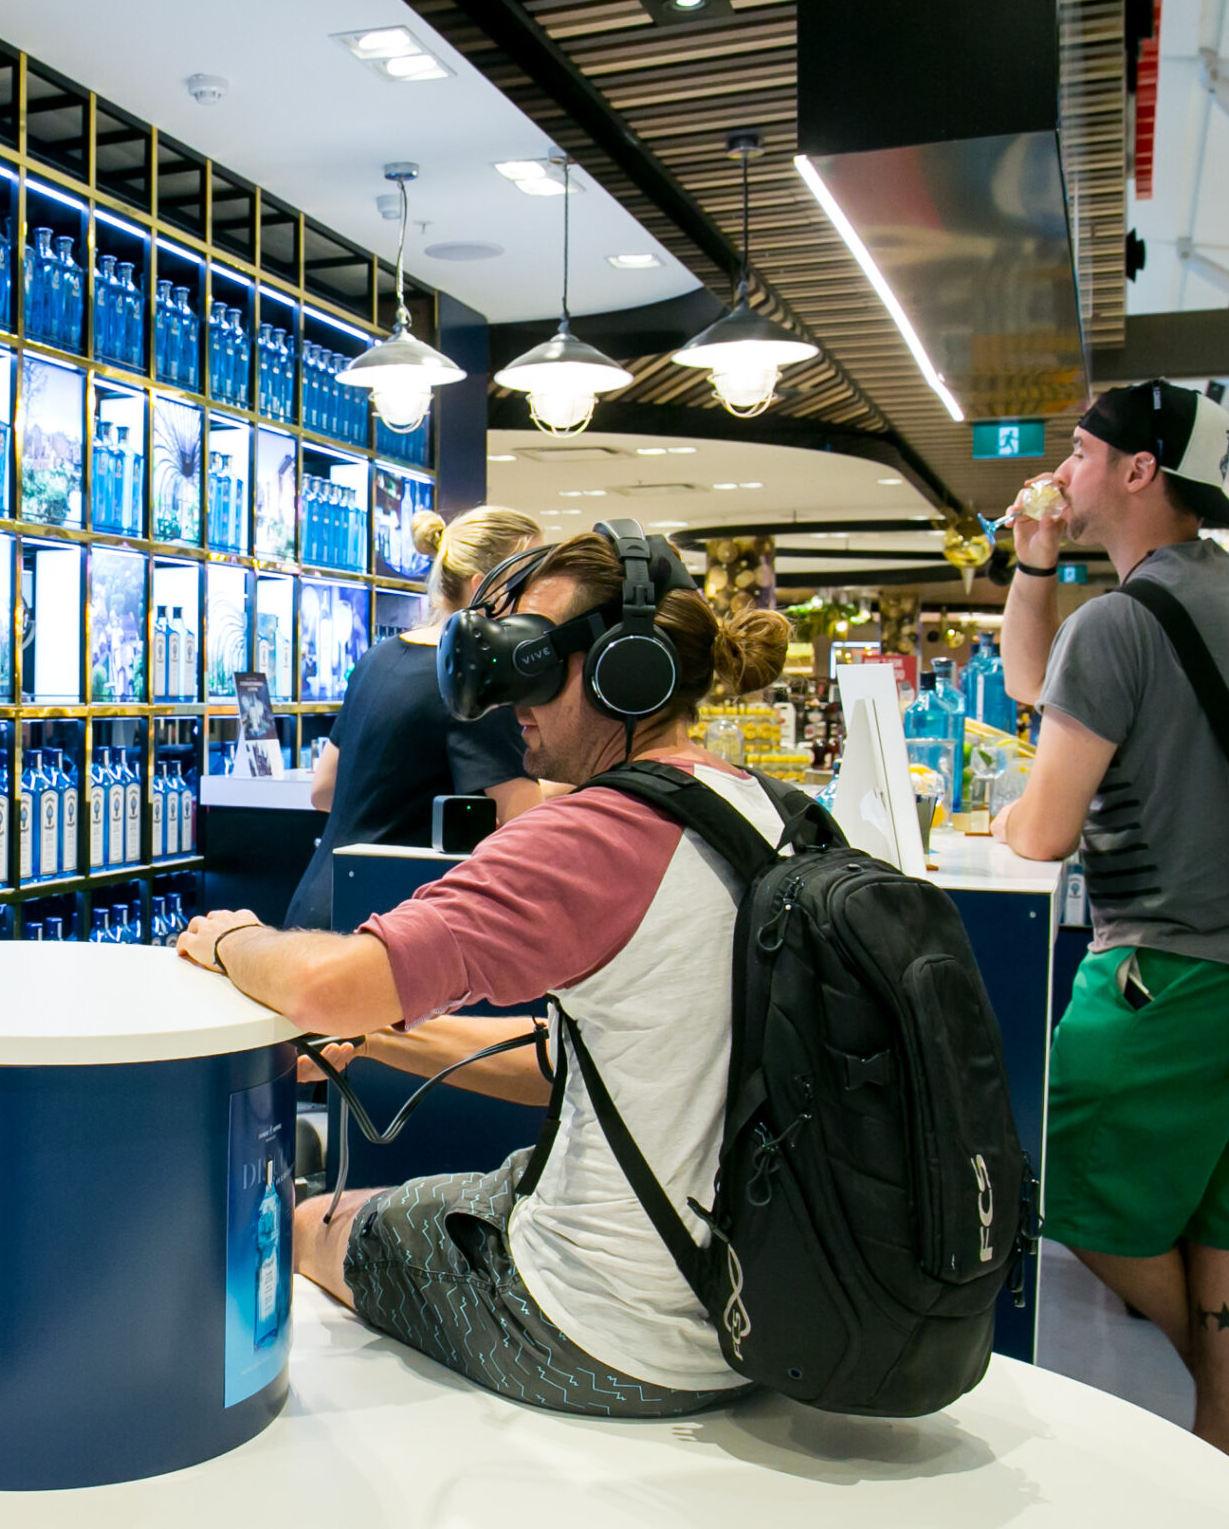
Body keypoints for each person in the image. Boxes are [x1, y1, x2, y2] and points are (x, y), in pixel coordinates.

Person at [177, 528, 793, 1417]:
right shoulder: (764, 810)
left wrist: (232, 934)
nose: (511, 700)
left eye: (537, 666)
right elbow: (584, 1062)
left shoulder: (593, 834)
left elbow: (327, 983)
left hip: (600, 1329)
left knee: (311, 1222)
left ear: (627, 670)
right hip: (740, 1316)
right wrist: (382, 1040)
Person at [993, 380, 1229, 1487]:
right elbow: (1035, 683)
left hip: (1169, 959)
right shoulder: (1228, 595)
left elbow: (1040, 834)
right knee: (1228, 1208)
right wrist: (1035, 562)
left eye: (1081, 454)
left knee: (1057, 1163)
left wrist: (1006, 812)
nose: (1063, 472)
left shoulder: (1123, 620)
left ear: (1139, 472)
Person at [284, 507, 547, 929]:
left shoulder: (378, 657)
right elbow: (528, 824)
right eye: (528, 583)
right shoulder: (471, 683)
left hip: (319, 908)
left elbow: (324, 791)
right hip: (388, 924)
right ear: (486, 589)